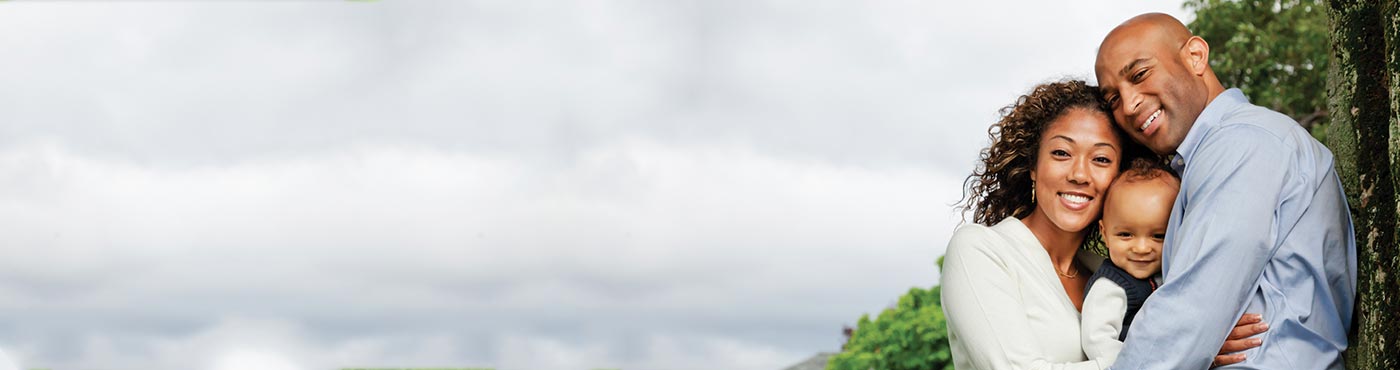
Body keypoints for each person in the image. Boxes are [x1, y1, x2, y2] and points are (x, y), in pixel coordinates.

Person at [1094, 13, 1357, 369]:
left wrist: (1199, 336)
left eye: (1140, 75)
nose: (1128, 105)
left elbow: (1189, 314)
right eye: (1113, 99)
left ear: (1196, 56)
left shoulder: (1243, 142)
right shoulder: (1218, 153)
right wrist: (1204, 341)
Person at [942, 80, 1262, 369]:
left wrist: (1201, 344)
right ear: (1033, 168)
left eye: (1101, 159)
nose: (1080, 174)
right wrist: (1176, 352)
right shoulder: (981, 250)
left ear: (1121, 178)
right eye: (1061, 153)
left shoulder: (1113, 268)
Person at [1079, 158, 1178, 365]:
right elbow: (1097, 341)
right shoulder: (1110, 286)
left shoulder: (1169, 272)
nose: (1142, 248)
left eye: (1158, 236)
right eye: (1125, 235)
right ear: (1104, 234)